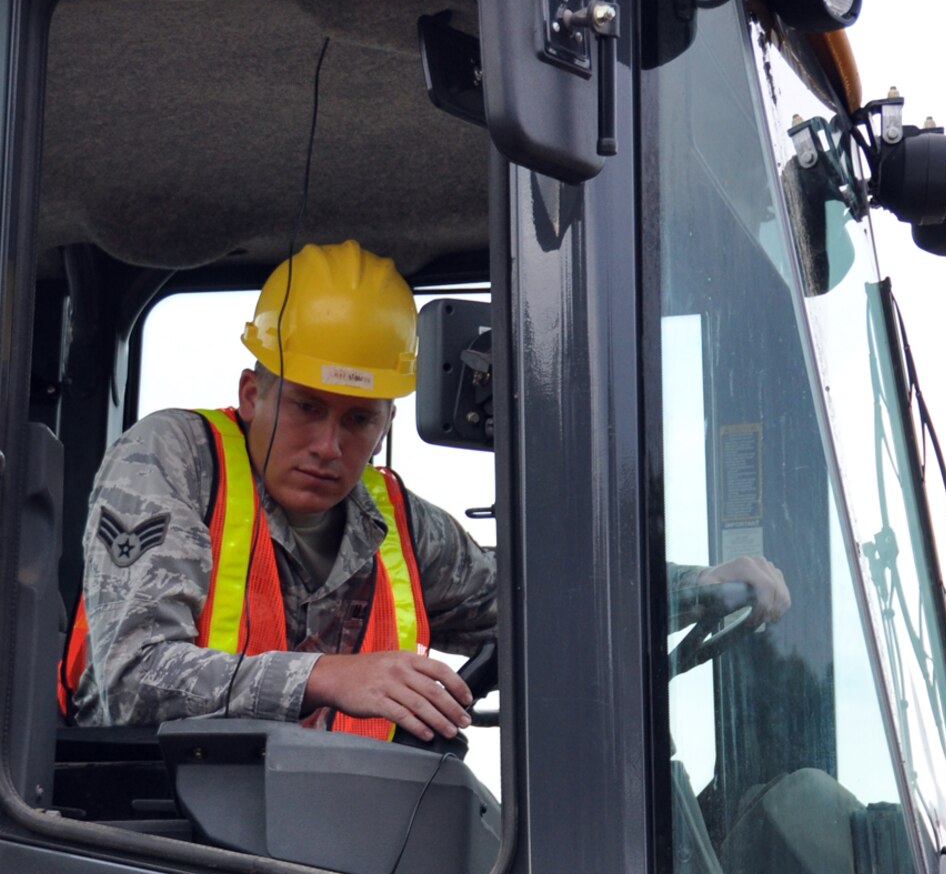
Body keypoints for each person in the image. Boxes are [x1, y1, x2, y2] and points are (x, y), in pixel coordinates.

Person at [67, 240, 789, 746]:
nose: (328, 446)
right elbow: (133, 676)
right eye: (306, 408)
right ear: (252, 394)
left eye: (357, 421)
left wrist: (696, 588)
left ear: (386, 422)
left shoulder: (389, 520)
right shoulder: (173, 460)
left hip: (342, 838)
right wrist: (325, 677)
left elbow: (536, 603)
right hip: (153, 833)